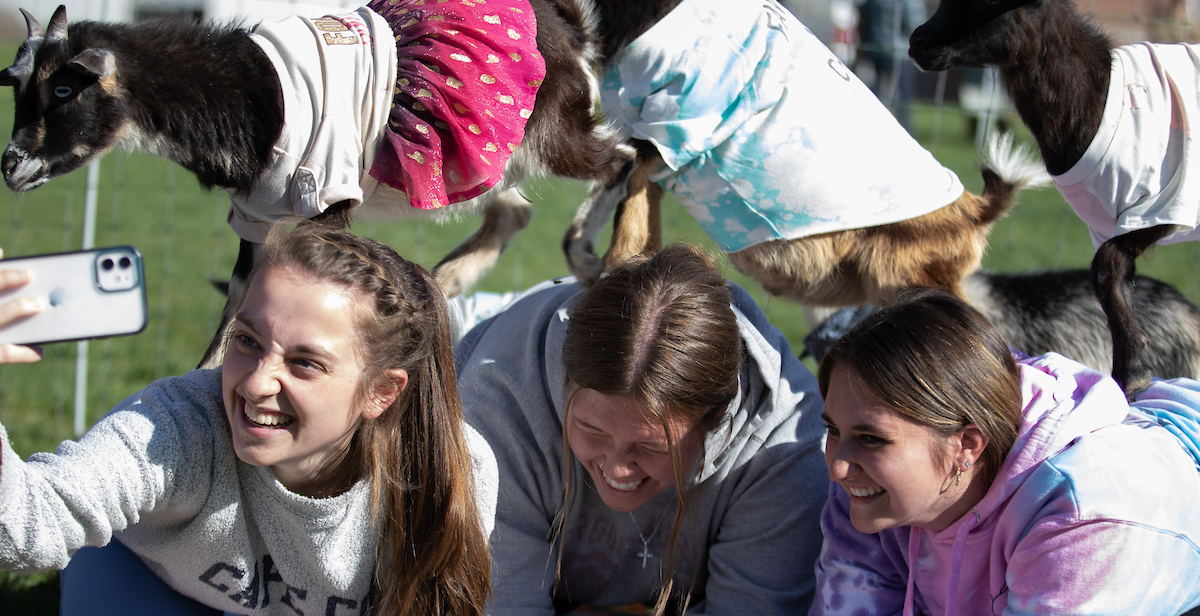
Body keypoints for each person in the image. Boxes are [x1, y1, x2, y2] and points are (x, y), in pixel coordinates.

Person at [0, 224, 498, 616]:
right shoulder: (176, 428)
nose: (257, 383)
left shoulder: (452, 468)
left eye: (305, 362)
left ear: (381, 392)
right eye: (247, 341)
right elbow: (24, 530)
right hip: (147, 578)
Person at [455, 244, 828, 615]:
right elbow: (503, 605)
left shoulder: (786, 447)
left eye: (651, 448)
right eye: (592, 430)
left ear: (717, 418)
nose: (617, 470)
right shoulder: (496, 397)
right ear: (562, 380)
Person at [812, 288, 1200, 616]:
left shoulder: (1083, 521)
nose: (837, 468)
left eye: (872, 439)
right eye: (833, 429)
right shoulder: (870, 489)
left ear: (967, 444)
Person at [858, 0, 926, 134]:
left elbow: (863, 15)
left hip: (876, 47)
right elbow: (915, 25)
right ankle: (905, 133)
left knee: (877, 94)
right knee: (904, 97)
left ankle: (874, 130)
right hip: (900, 51)